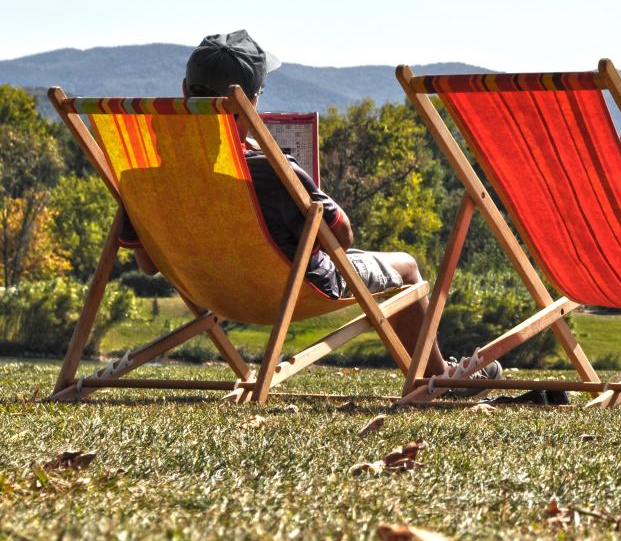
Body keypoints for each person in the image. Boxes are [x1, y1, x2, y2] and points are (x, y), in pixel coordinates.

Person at [124, 30, 501, 393]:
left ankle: (437, 375)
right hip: (290, 290)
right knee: (406, 266)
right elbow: (340, 237)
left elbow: (147, 264)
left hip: (210, 292)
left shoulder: (141, 178)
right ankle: (440, 377)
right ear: (250, 103)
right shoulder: (273, 170)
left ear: (185, 92)